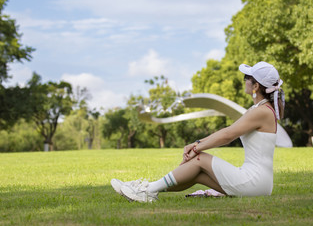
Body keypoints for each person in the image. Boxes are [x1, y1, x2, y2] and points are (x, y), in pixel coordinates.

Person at [111, 61, 285, 203]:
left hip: (254, 182)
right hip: (258, 182)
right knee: (197, 174)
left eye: (247, 77)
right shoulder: (259, 109)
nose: (244, 80)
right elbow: (226, 131)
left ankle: (147, 191)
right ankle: (148, 189)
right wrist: (197, 144)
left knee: (200, 158)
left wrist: (197, 148)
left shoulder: (261, 112)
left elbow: (227, 135)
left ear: (255, 86)